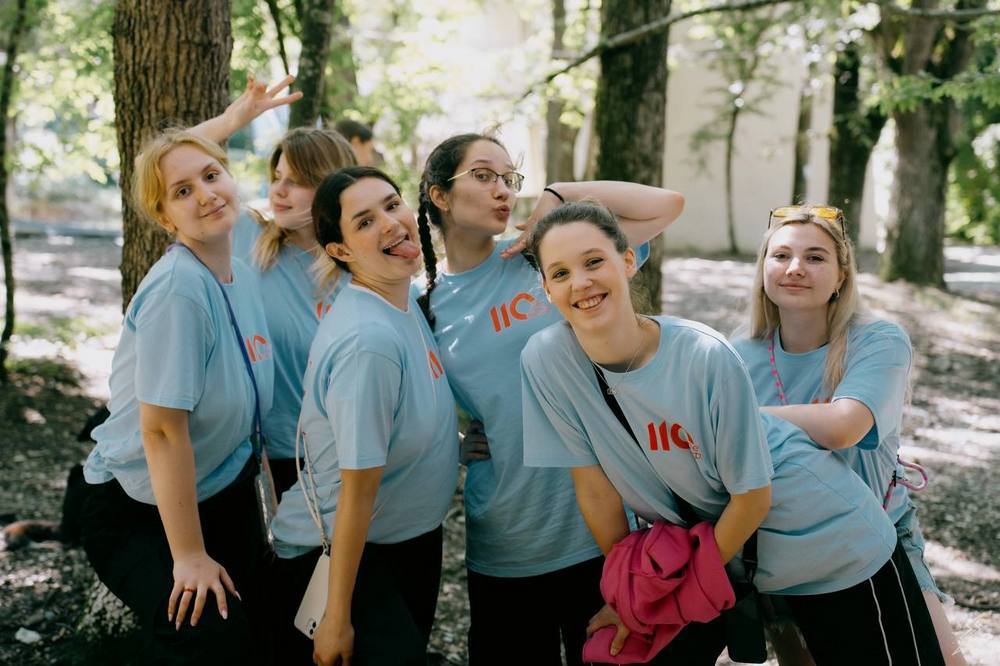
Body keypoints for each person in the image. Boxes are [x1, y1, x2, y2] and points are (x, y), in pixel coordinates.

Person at [519, 201, 946, 665]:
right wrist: (632, 593)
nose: (580, 282)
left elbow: (757, 492)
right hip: (737, 554)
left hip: (833, 545)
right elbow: (597, 493)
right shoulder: (547, 360)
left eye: (594, 261)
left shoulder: (705, 354)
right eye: (559, 273)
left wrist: (659, 596)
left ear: (628, 260)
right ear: (544, 286)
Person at [415, 132, 684, 665]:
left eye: (509, 179)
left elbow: (665, 206)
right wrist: (454, 438)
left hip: (602, 525)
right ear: (439, 196)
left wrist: (560, 194)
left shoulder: (543, 255)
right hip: (507, 532)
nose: (504, 192)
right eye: (484, 176)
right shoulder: (421, 302)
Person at [731, 204, 966, 665]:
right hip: (784, 543)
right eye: (781, 256)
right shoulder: (737, 353)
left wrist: (740, 417)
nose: (795, 268)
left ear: (842, 275)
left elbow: (844, 426)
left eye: (816, 257)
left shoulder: (877, 340)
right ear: (763, 270)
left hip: (876, 540)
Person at [79, 130, 275, 664]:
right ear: (165, 218)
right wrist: (188, 556)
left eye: (213, 177)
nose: (206, 195)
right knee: (213, 641)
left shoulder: (238, 253)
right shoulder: (178, 292)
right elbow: (162, 430)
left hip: (222, 490)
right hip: (137, 506)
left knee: (269, 627)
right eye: (183, 192)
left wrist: (237, 116)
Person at [268, 166, 460, 666]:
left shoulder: (402, 302)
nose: (392, 223)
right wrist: (337, 613)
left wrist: (452, 444)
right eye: (365, 221)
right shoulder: (368, 342)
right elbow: (357, 490)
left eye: (392, 205)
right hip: (346, 555)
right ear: (341, 251)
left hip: (404, 542)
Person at [193, 77, 357, 495]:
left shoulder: (359, 270)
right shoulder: (244, 236)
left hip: (343, 459)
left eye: (297, 180)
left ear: (332, 187)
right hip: (250, 459)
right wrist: (233, 120)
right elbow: (156, 164)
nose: (279, 191)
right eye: (277, 175)